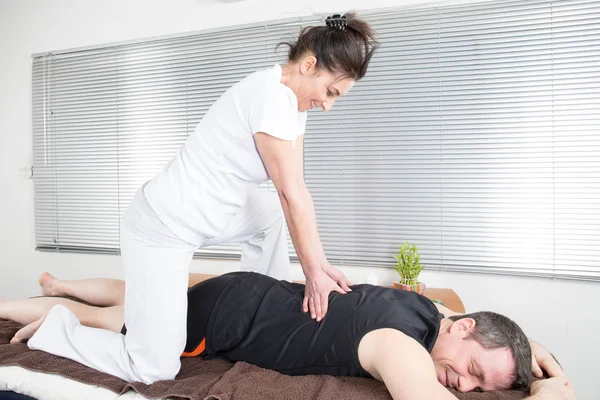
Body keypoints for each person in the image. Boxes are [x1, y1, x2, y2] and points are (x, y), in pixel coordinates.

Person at [24, 13, 379, 383]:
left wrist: (319, 266)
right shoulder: (270, 96)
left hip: (207, 217)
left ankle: (262, 302)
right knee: (155, 368)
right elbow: (291, 193)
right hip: (162, 227)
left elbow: (297, 189)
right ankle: (57, 329)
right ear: (309, 65)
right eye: (331, 92)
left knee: (271, 214)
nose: (329, 105)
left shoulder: (293, 105)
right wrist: (312, 273)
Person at [3, 271, 575, 400]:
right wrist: (559, 392)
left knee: (146, 293)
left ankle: (61, 285)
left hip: (248, 290)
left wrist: (530, 351)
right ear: (466, 327)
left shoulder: (430, 310)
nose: (464, 387)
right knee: (121, 321)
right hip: (222, 322)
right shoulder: (402, 348)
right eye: (473, 372)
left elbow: (481, 337)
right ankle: (33, 307)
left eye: (480, 389)